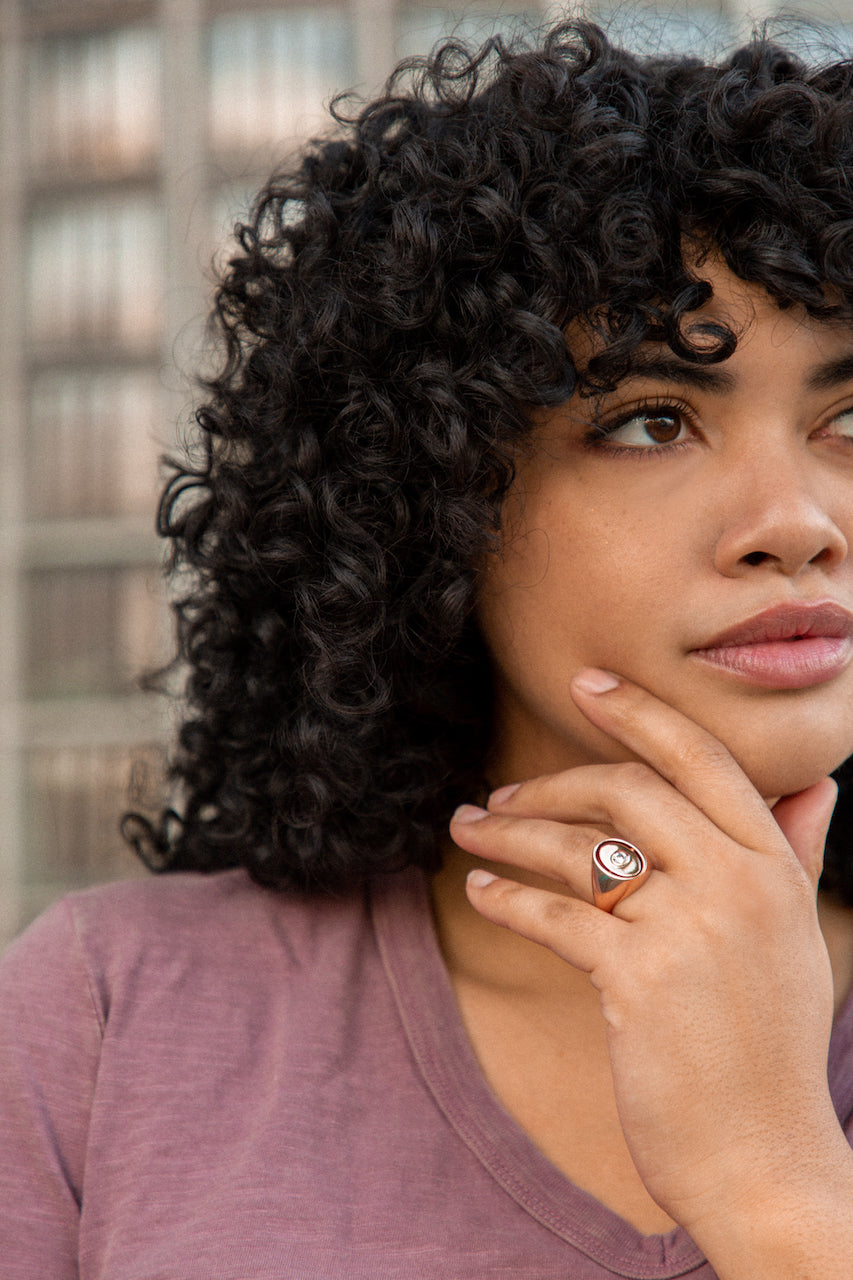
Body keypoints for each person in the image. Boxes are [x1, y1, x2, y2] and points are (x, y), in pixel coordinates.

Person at [3, 17, 853, 1278]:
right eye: (649, 421)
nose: (796, 523)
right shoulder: (109, 1012)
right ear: (431, 495)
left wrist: (774, 1181)